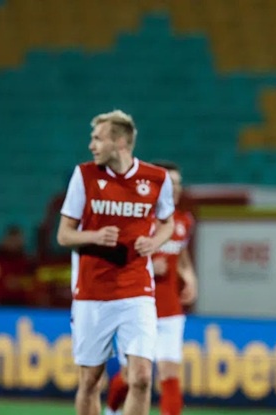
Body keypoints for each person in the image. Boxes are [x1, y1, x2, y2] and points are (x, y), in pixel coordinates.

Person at [57, 110, 175, 415]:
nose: (91, 145)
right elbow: (64, 235)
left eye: (98, 138)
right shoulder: (84, 176)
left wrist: (155, 242)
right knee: (90, 382)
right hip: (93, 292)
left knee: (142, 378)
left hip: (136, 291)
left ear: (120, 142)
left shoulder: (157, 179)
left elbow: (168, 223)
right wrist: (95, 236)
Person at [106, 161, 198, 415]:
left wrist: (190, 276)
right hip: (139, 308)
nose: (176, 188)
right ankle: (112, 411)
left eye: (179, 183)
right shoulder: (135, 220)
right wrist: (147, 264)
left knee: (169, 374)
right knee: (132, 376)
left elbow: (181, 254)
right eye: (171, 183)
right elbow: (113, 262)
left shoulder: (183, 221)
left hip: (171, 310)